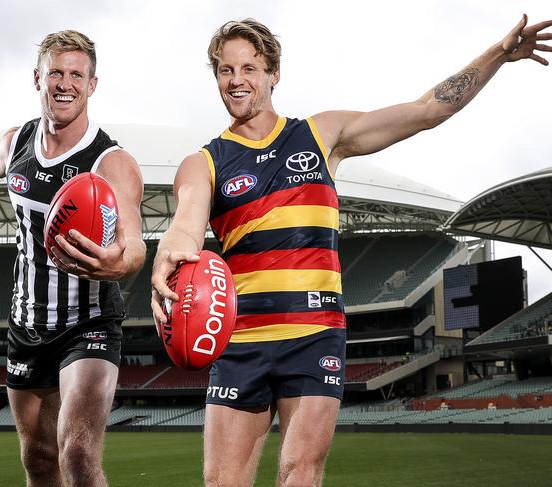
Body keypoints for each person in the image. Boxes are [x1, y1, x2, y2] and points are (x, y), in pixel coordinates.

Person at [151, 16, 552, 487]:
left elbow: (427, 110)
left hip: (314, 335)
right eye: (225, 70)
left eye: (249, 68)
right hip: (240, 341)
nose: (237, 80)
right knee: (222, 482)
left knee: (300, 472)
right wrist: (172, 251)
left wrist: (498, 55)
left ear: (273, 73)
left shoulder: (321, 134)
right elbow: (187, 219)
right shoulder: (205, 161)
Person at [0, 30, 145, 487]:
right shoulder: (16, 143)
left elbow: (134, 247)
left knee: (79, 455)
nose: (65, 84)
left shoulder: (111, 163)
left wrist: (117, 266)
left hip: (87, 324)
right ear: (38, 78)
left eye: (76, 75)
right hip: (26, 326)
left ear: (92, 84)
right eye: (56, 73)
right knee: (39, 459)